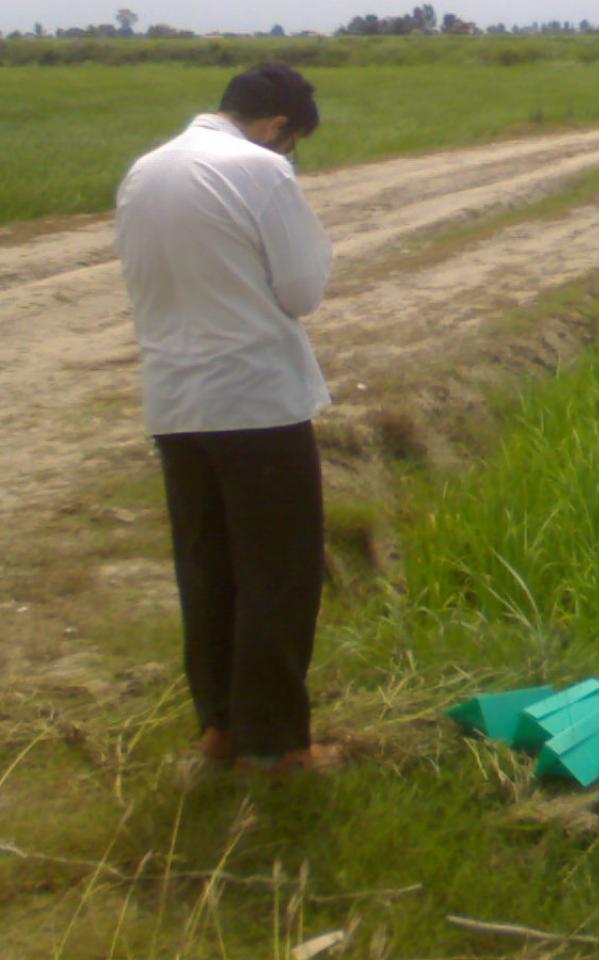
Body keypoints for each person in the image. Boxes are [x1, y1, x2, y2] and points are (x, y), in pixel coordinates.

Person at [115, 63, 340, 773]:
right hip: (256, 403)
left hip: (176, 404)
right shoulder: (260, 172)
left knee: (208, 571)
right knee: (278, 574)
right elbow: (302, 290)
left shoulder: (144, 172)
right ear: (276, 126)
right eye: (291, 140)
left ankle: (217, 731)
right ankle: (276, 746)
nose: (288, 154)